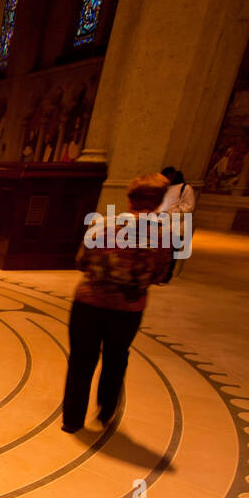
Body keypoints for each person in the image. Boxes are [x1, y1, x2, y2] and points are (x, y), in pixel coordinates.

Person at [61, 172, 172, 434]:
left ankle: (72, 421)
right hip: (127, 310)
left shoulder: (102, 225)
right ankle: (106, 411)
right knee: (116, 359)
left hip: (88, 304)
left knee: (81, 361)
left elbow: (81, 262)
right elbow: (160, 275)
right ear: (158, 202)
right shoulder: (162, 236)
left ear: (130, 198)